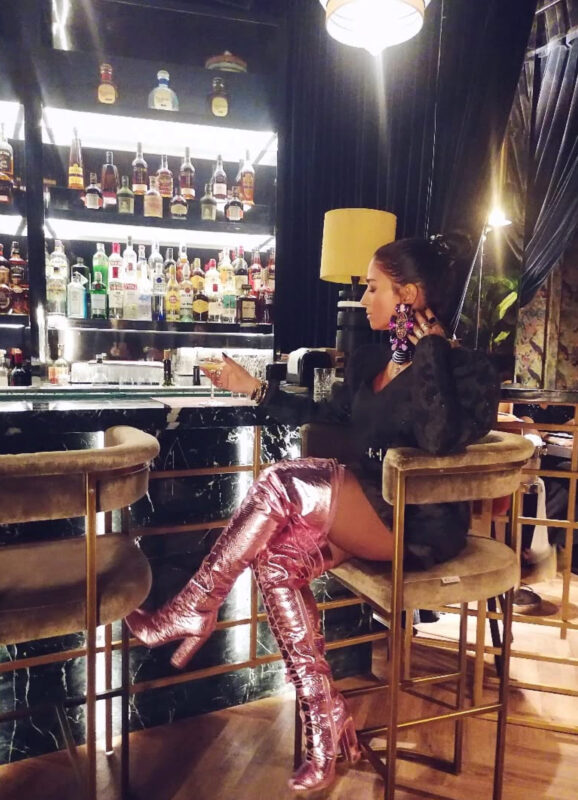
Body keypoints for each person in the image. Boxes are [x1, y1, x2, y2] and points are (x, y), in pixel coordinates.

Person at [126, 234, 500, 793]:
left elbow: (440, 436)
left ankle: (192, 608)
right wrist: (253, 389)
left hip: (416, 523)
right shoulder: (375, 360)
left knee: (279, 480)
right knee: (276, 564)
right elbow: (327, 413)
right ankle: (328, 726)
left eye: (373, 287)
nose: (363, 299)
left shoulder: (469, 368)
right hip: (364, 508)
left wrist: (432, 351)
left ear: (408, 295)